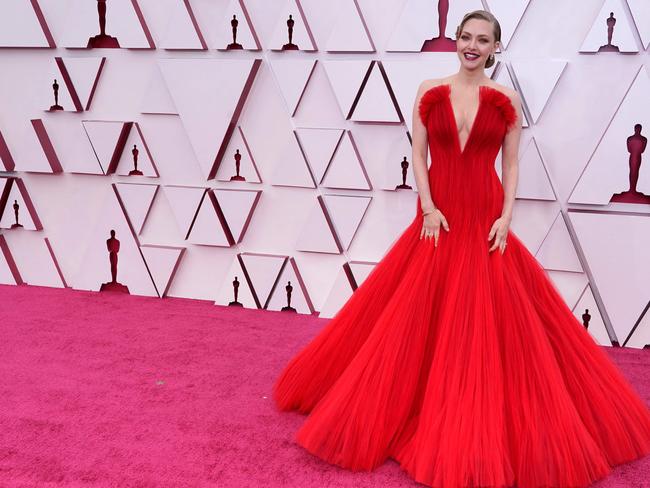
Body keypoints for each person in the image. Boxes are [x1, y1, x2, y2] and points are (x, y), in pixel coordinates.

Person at [272, 9, 650, 488]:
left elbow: (511, 165)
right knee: (418, 314)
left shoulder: (507, 99)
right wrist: (427, 207)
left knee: (490, 321)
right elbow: (419, 154)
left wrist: (506, 217)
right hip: (440, 216)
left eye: (483, 40)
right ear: (456, 40)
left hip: (485, 215)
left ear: (496, 48)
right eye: (466, 37)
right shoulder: (429, 91)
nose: (472, 45)